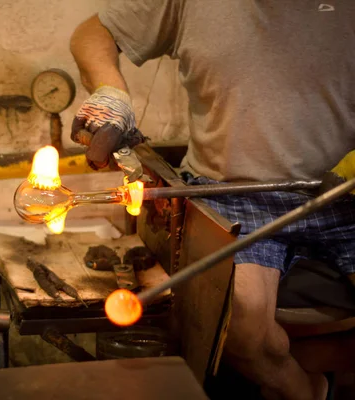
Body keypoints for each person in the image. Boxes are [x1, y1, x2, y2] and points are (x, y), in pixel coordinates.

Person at [69, 2, 355, 400]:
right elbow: (93, 33)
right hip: (230, 192)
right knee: (242, 326)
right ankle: (307, 390)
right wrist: (110, 92)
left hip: (344, 192)